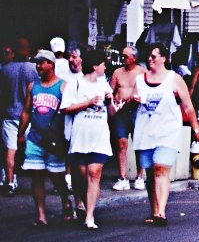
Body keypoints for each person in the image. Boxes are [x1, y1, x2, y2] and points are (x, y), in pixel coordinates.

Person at [132, 44, 199, 228]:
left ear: (164, 58)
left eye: (154, 56)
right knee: (150, 172)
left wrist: (197, 130)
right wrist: (134, 99)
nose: (150, 60)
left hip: (168, 131)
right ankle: (154, 210)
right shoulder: (140, 80)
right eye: (149, 56)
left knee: (160, 169)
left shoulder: (174, 79)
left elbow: (188, 106)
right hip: (146, 132)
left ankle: (161, 212)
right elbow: (131, 98)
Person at [60, 49, 113, 231]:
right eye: (103, 64)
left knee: (94, 173)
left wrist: (110, 101)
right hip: (81, 137)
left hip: (100, 136)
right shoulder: (75, 84)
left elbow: (112, 112)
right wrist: (88, 103)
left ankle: (89, 216)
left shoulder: (104, 84)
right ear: (95, 66)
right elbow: (65, 108)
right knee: (81, 176)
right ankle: (83, 203)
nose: (105, 67)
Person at [17, 49, 69, 227]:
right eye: (37, 63)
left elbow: (68, 112)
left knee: (56, 176)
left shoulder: (63, 86)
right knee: (36, 176)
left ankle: (65, 201)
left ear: (51, 64)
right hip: (35, 138)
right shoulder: (32, 86)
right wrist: (20, 134)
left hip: (56, 139)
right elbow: (26, 111)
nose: (38, 66)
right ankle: (41, 215)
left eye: (41, 63)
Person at [1, 36, 37, 196]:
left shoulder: (5, 69)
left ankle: (10, 182)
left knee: (10, 149)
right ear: (28, 50)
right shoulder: (33, 69)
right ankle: (38, 182)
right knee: (34, 149)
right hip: (29, 115)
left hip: (9, 113)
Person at [110, 45, 146, 191]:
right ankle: (122, 177)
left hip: (137, 111)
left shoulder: (142, 72)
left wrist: (140, 98)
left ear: (134, 58)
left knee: (139, 145)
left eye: (125, 56)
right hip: (121, 112)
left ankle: (139, 177)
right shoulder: (117, 72)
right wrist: (113, 101)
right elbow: (110, 91)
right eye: (122, 56)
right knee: (121, 143)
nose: (123, 59)